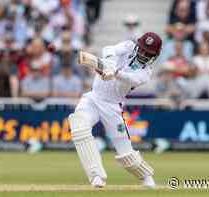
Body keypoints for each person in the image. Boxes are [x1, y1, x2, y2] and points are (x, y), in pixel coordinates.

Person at [68, 32, 162, 188]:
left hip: (112, 107)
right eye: (143, 49)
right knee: (78, 127)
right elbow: (108, 49)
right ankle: (96, 176)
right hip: (93, 98)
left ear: (154, 56)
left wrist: (116, 73)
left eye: (149, 53)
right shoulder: (128, 46)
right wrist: (110, 64)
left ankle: (146, 177)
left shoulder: (146, 73)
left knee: (126, 155)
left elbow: (133, 79)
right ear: (138, 45)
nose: (144, 54)